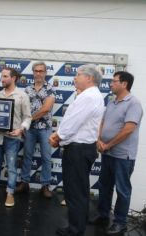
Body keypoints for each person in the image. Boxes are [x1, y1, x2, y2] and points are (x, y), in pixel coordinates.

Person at [49, 64, 104, 236]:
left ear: (89, 78)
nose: (75, 77)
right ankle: (77, 225)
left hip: (78, 150)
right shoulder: (91, 95)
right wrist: (61, 136)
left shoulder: (88, 96)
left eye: (78, 74)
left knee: (75, 193)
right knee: (78, 191)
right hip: (80, 149)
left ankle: (75, 230)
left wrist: (58, 136)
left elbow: (73, 123)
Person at [90, 71, 143, 235]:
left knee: (122, 190)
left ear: (124, 84)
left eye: (114, 81)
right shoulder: (112, 102)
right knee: (105, 186)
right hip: (107, 153)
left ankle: (121, 223)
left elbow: (128, 129)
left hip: (122, 156)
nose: (111, 84)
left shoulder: (133, 103)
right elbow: (103, 122)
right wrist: (99, 139)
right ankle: (104, 215)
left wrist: (108, 145)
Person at [0, 67, 31, 207]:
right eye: (1, 76)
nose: (2, 79)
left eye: (5, 76)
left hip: (12, 138)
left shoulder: (22, 96)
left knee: (12, 167)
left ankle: (10, 193)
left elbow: (28, 118)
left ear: (13, 78)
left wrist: (21, 129)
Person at [15, 61, 55, 198]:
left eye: (41, 71)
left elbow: (46, 109)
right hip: (30, 129)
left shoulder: (50, 88)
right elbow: (22, 109)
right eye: (36, 71)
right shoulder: (27, 89)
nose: (38, 73)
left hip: (45, 128)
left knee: (46, 157)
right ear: (33, 72)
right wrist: (24, 124)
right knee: (27, 155)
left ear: (45, 73)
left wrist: (29, 120)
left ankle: (45, 185)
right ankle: (24, 182)